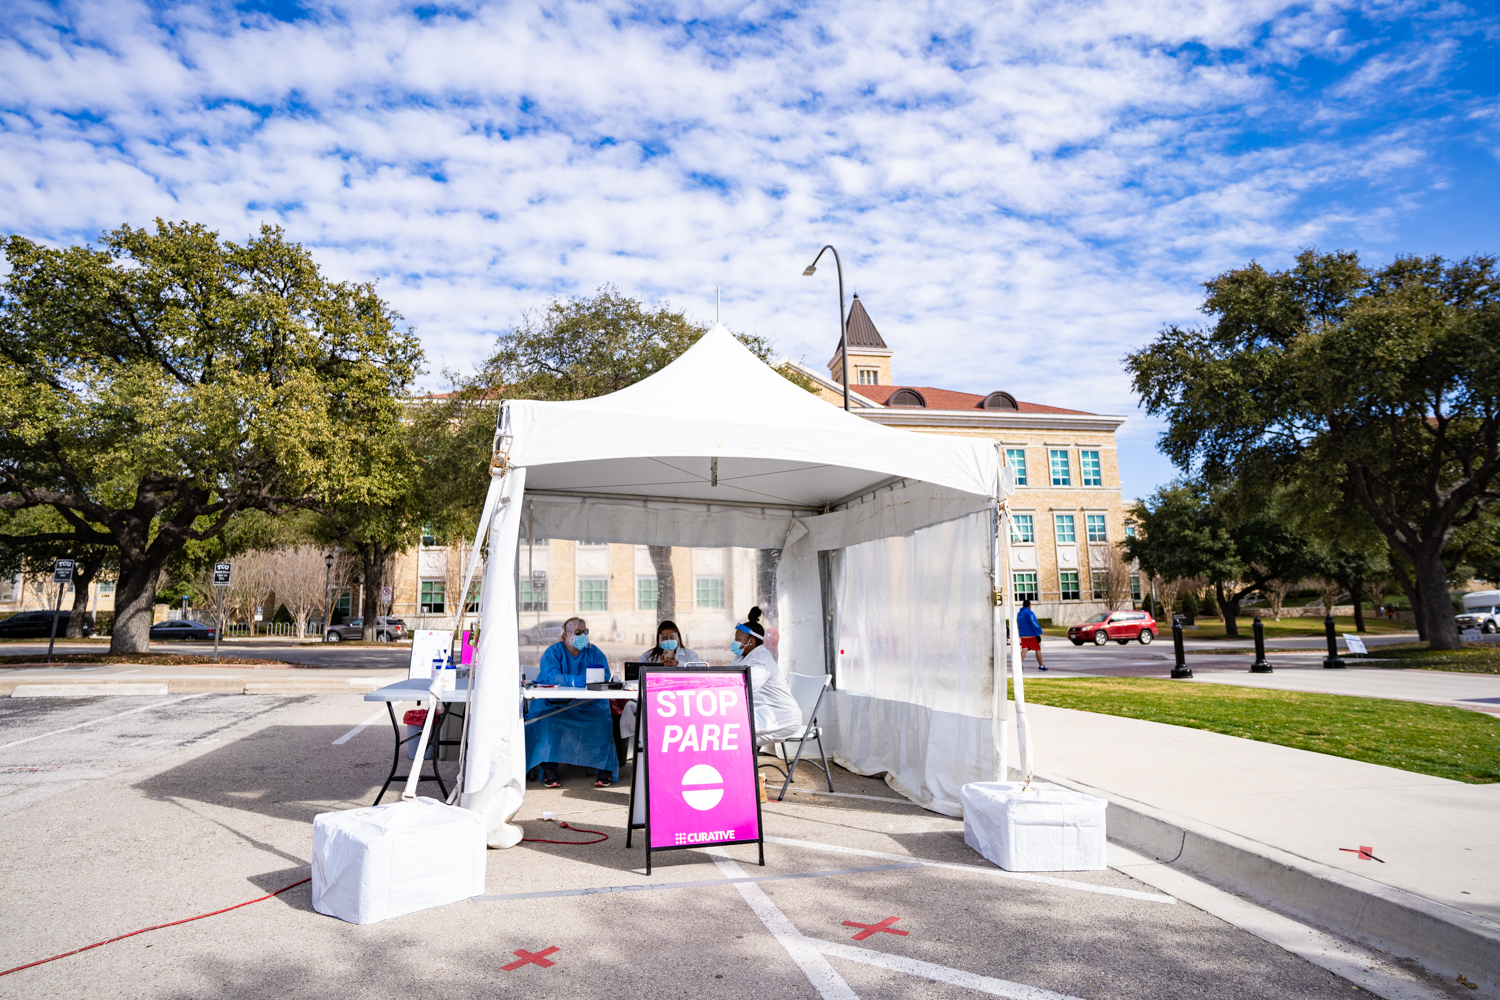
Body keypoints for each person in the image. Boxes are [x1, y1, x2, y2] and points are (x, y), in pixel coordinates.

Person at [525, 617, 619, 788]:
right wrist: (574, 681)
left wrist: (594, 679)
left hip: (588, 705)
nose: (581, 635)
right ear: (565, 634)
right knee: (549, 721)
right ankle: (549, 768)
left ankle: (604, 768)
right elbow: (550, 675)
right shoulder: (553, 652)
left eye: (584, 632)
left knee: (602, 722)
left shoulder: (593, 652)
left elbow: (604, 675)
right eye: (577, 632)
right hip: (555, 704)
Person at [617, 621, 703, 743]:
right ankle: (645, 743)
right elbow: (638, 679)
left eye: (672, 637)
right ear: (659, 639)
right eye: (664, 638)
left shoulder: (690, 655)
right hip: (656, 699)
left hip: (683, 700)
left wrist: (680, 665)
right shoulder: (648, 657)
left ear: (678, 637)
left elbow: (701, 675)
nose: (668, 640)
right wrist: (659, 667)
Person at [732, 607, 802, 743]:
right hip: (763, 713)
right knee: (732, 733)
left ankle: (742, 764)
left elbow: (740, 690)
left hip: (782, 718)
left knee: (732, 733)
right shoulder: (741, 657)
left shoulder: (760, 662)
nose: (734, 643)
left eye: (738, 639)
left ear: (750, 641)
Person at [1017, 598, 1046, 671]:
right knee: (1037, 649)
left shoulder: (1019, 613)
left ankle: (1019, 665)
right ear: (1029, 605)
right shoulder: (1029, 612)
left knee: (1024, 649)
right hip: (1032, 635)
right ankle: (1041, 666)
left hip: (1023, 635)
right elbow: (1033, 622)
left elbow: (1018, 624)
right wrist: (1039, 630)